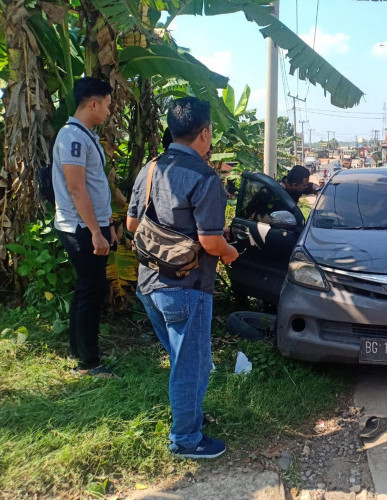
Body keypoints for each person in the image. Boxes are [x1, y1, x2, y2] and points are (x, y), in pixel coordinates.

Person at [126, 97, 239, 459]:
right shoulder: (205, 177)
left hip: (148, 283)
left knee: (184, 360)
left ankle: (188, 415)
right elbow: (209, 241)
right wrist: (230, 253)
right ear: (204, 133)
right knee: (191, 365)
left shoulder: (150, 169)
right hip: (186, 289)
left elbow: (131, 224)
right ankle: (186, 439)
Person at [53, 77, 118, 378]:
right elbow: (77, 188)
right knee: (92, 290)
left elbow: (95, 184)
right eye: (106, 105)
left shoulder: (84, 135)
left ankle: (80, 351)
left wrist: (107, 225)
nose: (108, 110)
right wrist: (95, 231)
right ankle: (90, 364)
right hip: (80, 227)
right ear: (93, 103)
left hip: (92, 224)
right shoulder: (73, 138)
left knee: (85, 289)